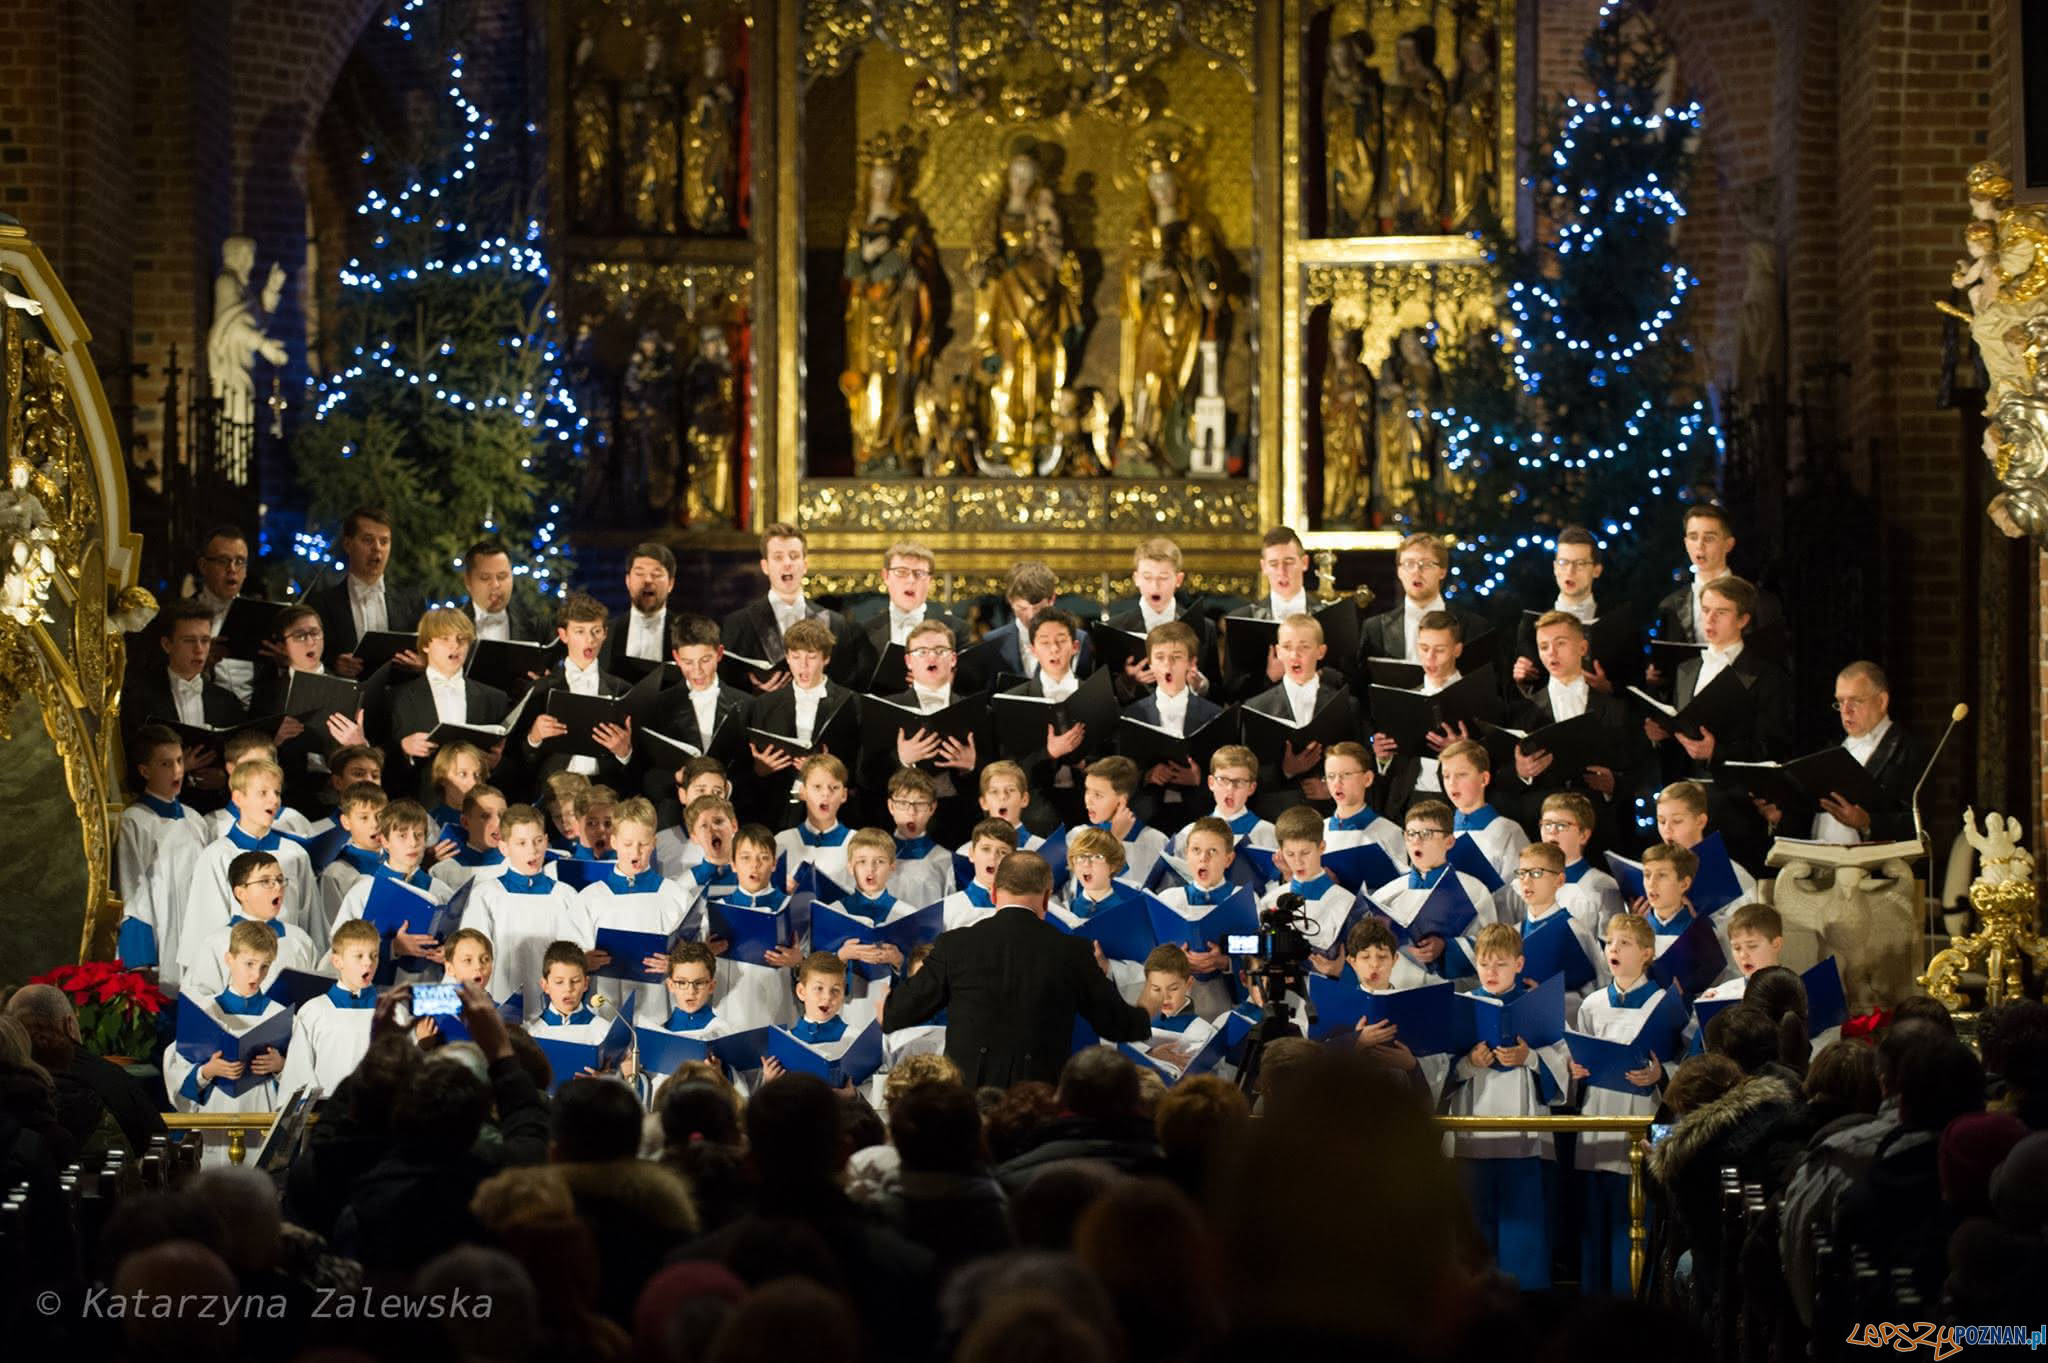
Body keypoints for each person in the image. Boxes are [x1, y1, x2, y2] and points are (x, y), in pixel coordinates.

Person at [883, 850, 1152, 1087]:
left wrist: (886, 1005)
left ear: (993, 893)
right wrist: (1149, 1005)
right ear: (1047, 898)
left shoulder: (954, 945)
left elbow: (898, 1013)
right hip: (1037, 1098)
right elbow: (1119, 1026)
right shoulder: (1073, 952)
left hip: (968, 1102)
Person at [1444, 921, 1569, 1289]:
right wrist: (1470, 1063)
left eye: (1500, 963)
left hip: (1522, 1139)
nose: (1491, 972)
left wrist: (1529, 1057)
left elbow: (1562, 1069)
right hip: (1473, 1135)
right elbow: (1438, 1074)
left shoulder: (1540, 1007)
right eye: (1484, 964)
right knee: (1473, 1237)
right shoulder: (1462, 1007)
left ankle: (1526, 1315)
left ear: (1519, 964)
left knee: (1524, 1237)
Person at [1642, 574, 1791, 868]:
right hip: (1683, 805)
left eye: (1721, 612)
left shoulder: (1766, 676)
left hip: (1734, 805)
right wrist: (1660, 736)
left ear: (1743, 619)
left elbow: (1771, 746)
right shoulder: (1686, 670)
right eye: (1705, 610)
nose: (1709, 620)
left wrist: (1716, 753)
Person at [1567, 911, 1669, 1294]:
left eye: (1624, 943)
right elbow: (1580, 1056)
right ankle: (1594, 1307)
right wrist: (1574, 1070)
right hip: (1597, 1115)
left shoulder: (1661, 1003)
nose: (1614, 949)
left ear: (1647, 953)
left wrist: (1661, 1074)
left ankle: (1634, 1305)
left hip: (1641, 1115)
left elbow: (1679, 1061)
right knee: (1594, 1219)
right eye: (1610, 942)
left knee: (1635, 1218)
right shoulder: (1592, 1003)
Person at [1498, 611, 1637, 846]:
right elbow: (1502, 777)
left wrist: (1614, 783)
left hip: (1598, 830)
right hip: (1540, 831)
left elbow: (1638, 768)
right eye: (1543, 646)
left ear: (1582, 648)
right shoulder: (1523, 710)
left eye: (1560, 643)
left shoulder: (1615, 708)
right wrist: (1522, 772)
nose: (1551, 652)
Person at [1754, 660, 1922, 845]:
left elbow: (1919, 824)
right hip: (1817, 864)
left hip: (1870, 869)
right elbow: (1814, 815)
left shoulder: (1908, 750)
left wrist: (1867, 823)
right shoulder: (1831, 749)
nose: (1846, 711)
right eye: (1841, 701)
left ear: (1882, 701)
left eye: (1856, 701)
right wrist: (1781, 819)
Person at [181, 758, 319, 973]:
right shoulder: (217, 855)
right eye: (263, 793)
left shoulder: (295, 853)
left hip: (288, 958)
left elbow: (312, 918)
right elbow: (206, 923)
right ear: (238, 798)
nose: (274, 800)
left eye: (277, 793)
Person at [579, 797, 698, 1022]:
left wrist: (676, 965)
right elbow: (569, 955)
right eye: (627, 844)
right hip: (605, 1008)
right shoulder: (590, 898)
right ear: (613, 841)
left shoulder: (675, 895)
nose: (636, 851)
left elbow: (697, 954)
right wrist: (584, 961)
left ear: (653, 843)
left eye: (643, 844)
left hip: (662, 1011)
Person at [507, 592, 636, 789]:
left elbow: (638, 766)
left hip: (605, 791)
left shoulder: (623, 690)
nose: (590, 640)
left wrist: (624, 753)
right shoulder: (540, 689)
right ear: (563, 635)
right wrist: (534, 738)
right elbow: (519, 757)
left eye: (596, 631)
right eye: (580, 631)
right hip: (554, 791)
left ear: (605, 634)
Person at [467, 803, 584, 1018]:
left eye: (538, 841)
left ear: (546, 841)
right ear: (504, 847)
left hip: (555, 1005)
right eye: (521, 843)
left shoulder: (564, 895)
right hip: (502, 1002)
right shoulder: (486, 894)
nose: (532, 850)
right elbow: (475, 954)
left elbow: (575, 953)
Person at [739, 619, 857, 826]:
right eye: (795, 657)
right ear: (787, 657)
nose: (803, 666)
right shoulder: (764, 705)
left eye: (811, 657)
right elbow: (748, 769)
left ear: (826, 658)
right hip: (776, 812)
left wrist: (826, 770)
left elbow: (860, 765)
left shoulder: (849, 702)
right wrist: (759, 769)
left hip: (832, 815)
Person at [164, 919, 289, 1113]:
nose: (256, 975)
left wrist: (281, 1066)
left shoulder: (280, 1015)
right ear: (229, 959)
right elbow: (176, 1071)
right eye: (249, 964)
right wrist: (207, 1071)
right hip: (216, 1113)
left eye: (264, 966)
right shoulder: (206, 1011)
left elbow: (301, 1078)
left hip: (263, 1112)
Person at [114, 724, 211, 973]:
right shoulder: (135, 820)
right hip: (162, 931)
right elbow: (133, 892)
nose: (177, 770)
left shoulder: (195, 820)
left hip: (198, 929)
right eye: (166, 764)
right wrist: (140, 957)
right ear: (145, 770)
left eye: (179, 761)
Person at [123, 600, 245, 794]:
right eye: (189, 641)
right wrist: (179, 768)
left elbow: (243, 762)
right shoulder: (139, 699)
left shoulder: (227, 701)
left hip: (216, 810)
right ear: (167, 644)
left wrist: (224, 778)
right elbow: (131, 769)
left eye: (205, 641)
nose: (199, 649)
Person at [1648, 504, 1786, 669]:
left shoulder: (1761, 603)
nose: (1700, 546)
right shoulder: (1671, 607)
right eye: (1693, 537)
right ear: (1685, 543)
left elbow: (1776, 667)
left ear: (1728, 544)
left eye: (1709, 538)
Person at [387, 607, 511, 789]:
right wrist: (404, 749)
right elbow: (379, 757)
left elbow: (514, 765)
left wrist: (496, 763)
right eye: (445, 638)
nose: (455, 645)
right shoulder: (396, 696)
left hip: (475, 802)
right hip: (420, 803)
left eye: (461, 639)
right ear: (426, 645)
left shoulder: (494, 698)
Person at [1242, 614, 1356, 808]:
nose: (1295, 655)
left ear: (1321, 651)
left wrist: (1331, 787)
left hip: (1330, 812)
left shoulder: (1346, 705)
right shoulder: (1256, 707)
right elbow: (1247, 772)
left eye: (1304, 647)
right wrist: (1286, 770)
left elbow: (1358, 761)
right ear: (1277, 652)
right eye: (1287, 647)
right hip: (1277, 813)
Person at [1126, 621, 1225, 832]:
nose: (1168, 666)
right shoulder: (1133, 714)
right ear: (1151, 665)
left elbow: (1226, 772)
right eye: (1160, 658)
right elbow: (1124, 771)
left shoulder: (1213, 714)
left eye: (1176, 657)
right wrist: (1147, 775)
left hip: (1199, 816)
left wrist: (1198, 778)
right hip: (1148, 817)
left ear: (1191, 663)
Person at [177, 849, 318, 997]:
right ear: (241, 893)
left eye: (280, 880)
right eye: (265, 881)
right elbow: (197, 1000)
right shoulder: (217, 943)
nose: (278, 887)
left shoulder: (299, 939)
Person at [305, 507, 425, 675]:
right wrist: (333, 665)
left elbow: (427, 654)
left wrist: (422, 664)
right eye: (368, 540)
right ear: (347, 544)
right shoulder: (322, 603)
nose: (377, 548)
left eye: (384, 542)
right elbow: (310, 656)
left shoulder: (412, 601)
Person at [1512, 526, 1632, 690]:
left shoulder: (1620, 622)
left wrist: (1609, 688)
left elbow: (1637, 684)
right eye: (1563, 562)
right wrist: (1521, 679)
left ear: (1596, 570)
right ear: (1555, 568)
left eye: (1580, 564)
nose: (1570, 571)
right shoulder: (1532, 623)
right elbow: (1522, 694)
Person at [838, 539, 965, 692]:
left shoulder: (958, 630)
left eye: (919, 573)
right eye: (901, 572)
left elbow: (969, 690)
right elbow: (851, 690)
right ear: (885, 576)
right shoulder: (861, 632)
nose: (911, 580)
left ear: (930, 580)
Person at [720, 522, 845, 670]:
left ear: (805, 565)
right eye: (778, 557)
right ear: (765, 566)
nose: (787, 563)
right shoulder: (738, 624)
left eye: (794, 556)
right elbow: (725, 683)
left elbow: (845, 683)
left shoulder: (835, 624)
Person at [277, 918, 381, 1095]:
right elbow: (298, 1073)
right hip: (328, 1114)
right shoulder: (314, 1011)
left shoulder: (394, 1012)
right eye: (359, 956)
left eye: (374, 955)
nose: (368, 963)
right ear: (337, 961)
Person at [1357, 532, 1489, 668]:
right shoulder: (1375, 630)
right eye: (1409, 564)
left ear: (1442, 571)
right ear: (1399, 572)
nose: (1416, 571)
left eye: (1426, 564)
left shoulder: (1474, 628)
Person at [1108, 537, 1219, 696]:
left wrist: (1199, 685)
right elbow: (1104, 695)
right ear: (1136, 579)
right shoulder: (1115, 627)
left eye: (1163, 577)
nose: (1155, 586)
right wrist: (1127, 681)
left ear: (1178, 579)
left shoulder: (1204, 627)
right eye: (1147, 577)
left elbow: (1218, 694)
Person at [645, 612, 749, 766]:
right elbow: (650, 770)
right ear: (676, 658)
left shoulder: (747, 704)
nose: (697, 670)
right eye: (688, 662)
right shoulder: (658, 706)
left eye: (705, 660)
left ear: (719, 653)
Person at [191, 525, 259, 707]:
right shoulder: (182, 615)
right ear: (203, 566)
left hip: (254, 721)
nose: (232, 569)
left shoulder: (258, 615)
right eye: (223, 561)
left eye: (240, 561)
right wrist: (200, 660)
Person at [1081, 755, 1169, 887]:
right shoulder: (1079, 836)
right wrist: (1115, 839)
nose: (1088, 800)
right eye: (1087, 791)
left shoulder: (1156, 841)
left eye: (1098, 795)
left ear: (1121, 801)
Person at [773, 755, 853, 887]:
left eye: (834, 787)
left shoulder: (856, 842)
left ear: (844, 795)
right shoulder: (782, 841)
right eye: (817, 787)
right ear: (803, 792)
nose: (826, 794)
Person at [602, 542, 682, 674]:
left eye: (656, 574)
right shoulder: (607, 634)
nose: (648, 580)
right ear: (627, 580)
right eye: (639, 573)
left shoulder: (685, 633)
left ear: (671, 584)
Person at [460, 538, 548, 643]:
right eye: (485, 578)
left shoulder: (536, 625)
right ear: (468, 582)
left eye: (502, 576)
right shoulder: (449, 627)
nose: (495, 585)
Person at [941, 819, 1016, 931]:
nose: (993, 857)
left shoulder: (1028, 908)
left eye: (1002, 852)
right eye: (986, 849)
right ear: (971, 854)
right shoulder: (946, 909)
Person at [432, 784, 509, 891]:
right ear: (465, 822)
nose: (498, 822)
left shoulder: (517, 860)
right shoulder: (445, 866)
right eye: (486, 816)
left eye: (503, 815)